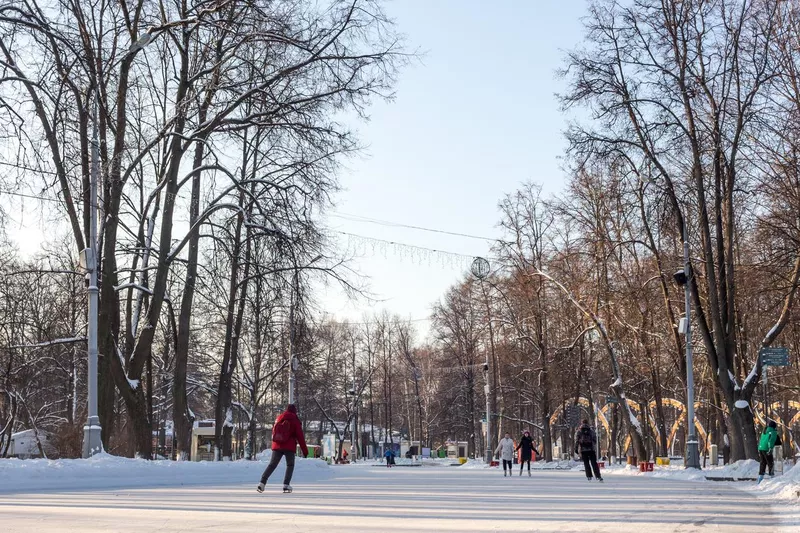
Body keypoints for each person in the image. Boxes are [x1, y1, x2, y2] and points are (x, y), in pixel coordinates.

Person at [258, 404, 308, 493]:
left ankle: (262, 482)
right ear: (295, 411)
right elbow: (300, 436)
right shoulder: (295, 420)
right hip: (289, 446)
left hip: (277, 444)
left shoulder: (279, 418)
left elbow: (274, 431)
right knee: (290, 465)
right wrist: (305, 450)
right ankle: (286, 485)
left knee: (272, 464)